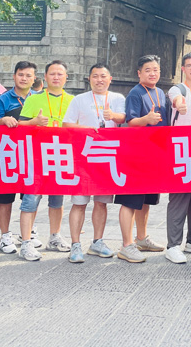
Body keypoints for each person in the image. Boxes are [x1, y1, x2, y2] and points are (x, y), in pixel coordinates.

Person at [63, 63, 126, 263]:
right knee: (79, 202)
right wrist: (88, 129)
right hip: (84, 156)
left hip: (107, 157)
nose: (99, 80)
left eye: (103, 76)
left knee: (101, 202)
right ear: (89, 79)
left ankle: (97, 242)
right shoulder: (79, 99)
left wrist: (113, 116)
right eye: (95, 76)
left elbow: (124, 118)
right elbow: (67, 124)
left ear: (110, 79)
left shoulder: (118, 98)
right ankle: (75, 245)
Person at [16, 60, 74, 261]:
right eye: (52, 74)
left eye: (60, 74)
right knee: (31, 200)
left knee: (57, 200)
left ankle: (55, 236)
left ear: (66, 77)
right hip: (36, 156)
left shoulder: (73, 100)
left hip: (62, 156)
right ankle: (26, 242)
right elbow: (21, 126)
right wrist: (34, 122)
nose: (56, 77)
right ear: (46, 76)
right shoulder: (34, 99)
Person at [117, 55, 169, 263]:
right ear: (139, 73)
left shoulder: (160, 93)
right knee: (130, 200)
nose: (152, 73)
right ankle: (126, 245)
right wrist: (146, 120)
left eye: (155, 69)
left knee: (146, 200)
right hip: (135, 155)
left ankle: (141, 238)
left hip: (154, 154)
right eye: (148, 70)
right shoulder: (135, 93)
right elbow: (130, 121)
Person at [0, 61, 38, 254]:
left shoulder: (40, 99)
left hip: (33, 155)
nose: (24, 78)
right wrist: (2, 120)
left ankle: (28, 233)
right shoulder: (3, 99)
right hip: (8, 154)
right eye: (20, 74)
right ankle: (5, 235)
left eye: (28, 75)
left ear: (34, 79)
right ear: (14, 76)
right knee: (5, 198)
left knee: (31, 197)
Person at [164, 52, 191, 264]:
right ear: (182, 69)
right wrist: (180, 104)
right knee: (179, 197)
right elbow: (176, 100)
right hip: (181, 150)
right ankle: (172, 245)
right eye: (189, 65)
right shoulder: (178, 89)